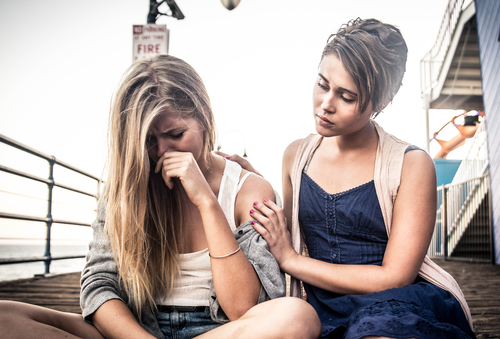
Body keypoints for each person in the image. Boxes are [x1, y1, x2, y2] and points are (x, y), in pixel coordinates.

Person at [0, 55, 321, 339]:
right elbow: (98, 286)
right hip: (136, 329)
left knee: (295, 317)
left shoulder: (247, 190)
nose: (164, 152)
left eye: (176, 134)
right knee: (5, 317)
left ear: (205, 117)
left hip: (223, 330)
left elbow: (245, 309)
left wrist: (207, 203)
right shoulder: (125, 188)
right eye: (150, 140)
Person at [225, 18, 477, 339]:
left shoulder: (411, 164)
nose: (325, 104)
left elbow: (395, 278)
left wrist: (290, 260)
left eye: (346, 96)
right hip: (316, 304)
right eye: (322, 84)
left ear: (381, 103)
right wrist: (249, 179)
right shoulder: (295, 156)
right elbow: (290, 228)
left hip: (391, 303)